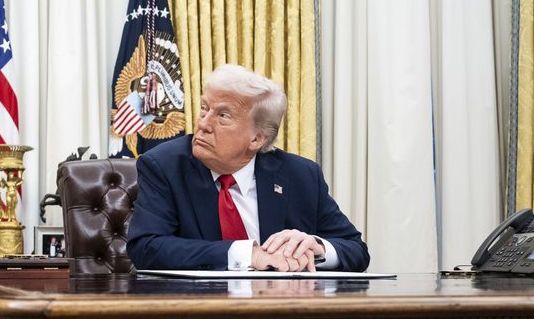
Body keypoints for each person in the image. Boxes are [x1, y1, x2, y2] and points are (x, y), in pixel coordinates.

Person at [127, 64, 369, 272]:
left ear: (257, 139)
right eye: (204, 108)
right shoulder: (164, 166)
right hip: (198, 314)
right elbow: (147, 248)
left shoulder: (300, 175)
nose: (203, 123)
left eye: (222, 116)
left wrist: (317, 248)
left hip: (284, 313)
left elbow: (356, 250)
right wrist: (247, 254)